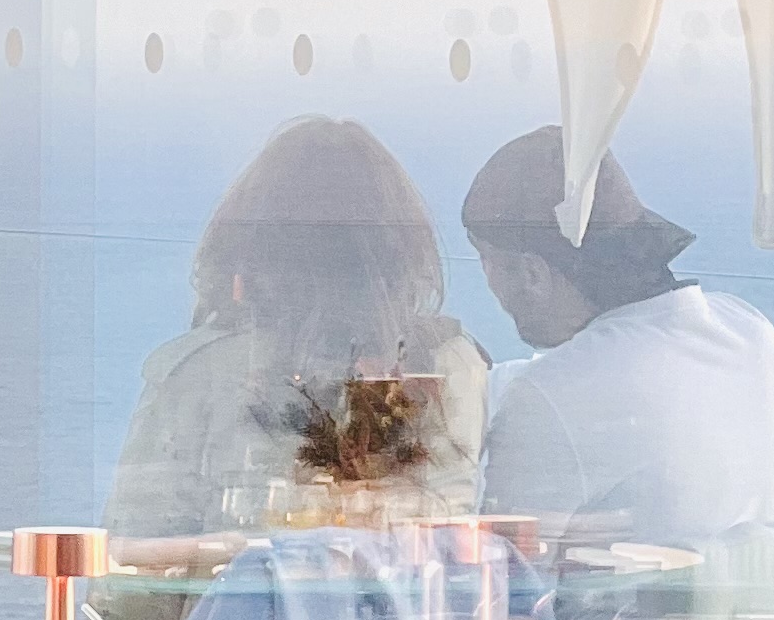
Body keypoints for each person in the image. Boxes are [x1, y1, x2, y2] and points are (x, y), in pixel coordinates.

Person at [105, 117, 490, 545]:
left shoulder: (199, 373)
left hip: (227, 608)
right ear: (394, 255)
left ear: (256, 247)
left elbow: (137, 553)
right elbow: (450, 532)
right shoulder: (443, 366)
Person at [461, 127, 774, 542]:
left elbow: (503, 579)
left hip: (622, 610)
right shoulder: (752, 333)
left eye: (485, 258)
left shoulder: (551, 395)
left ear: (532, 273)